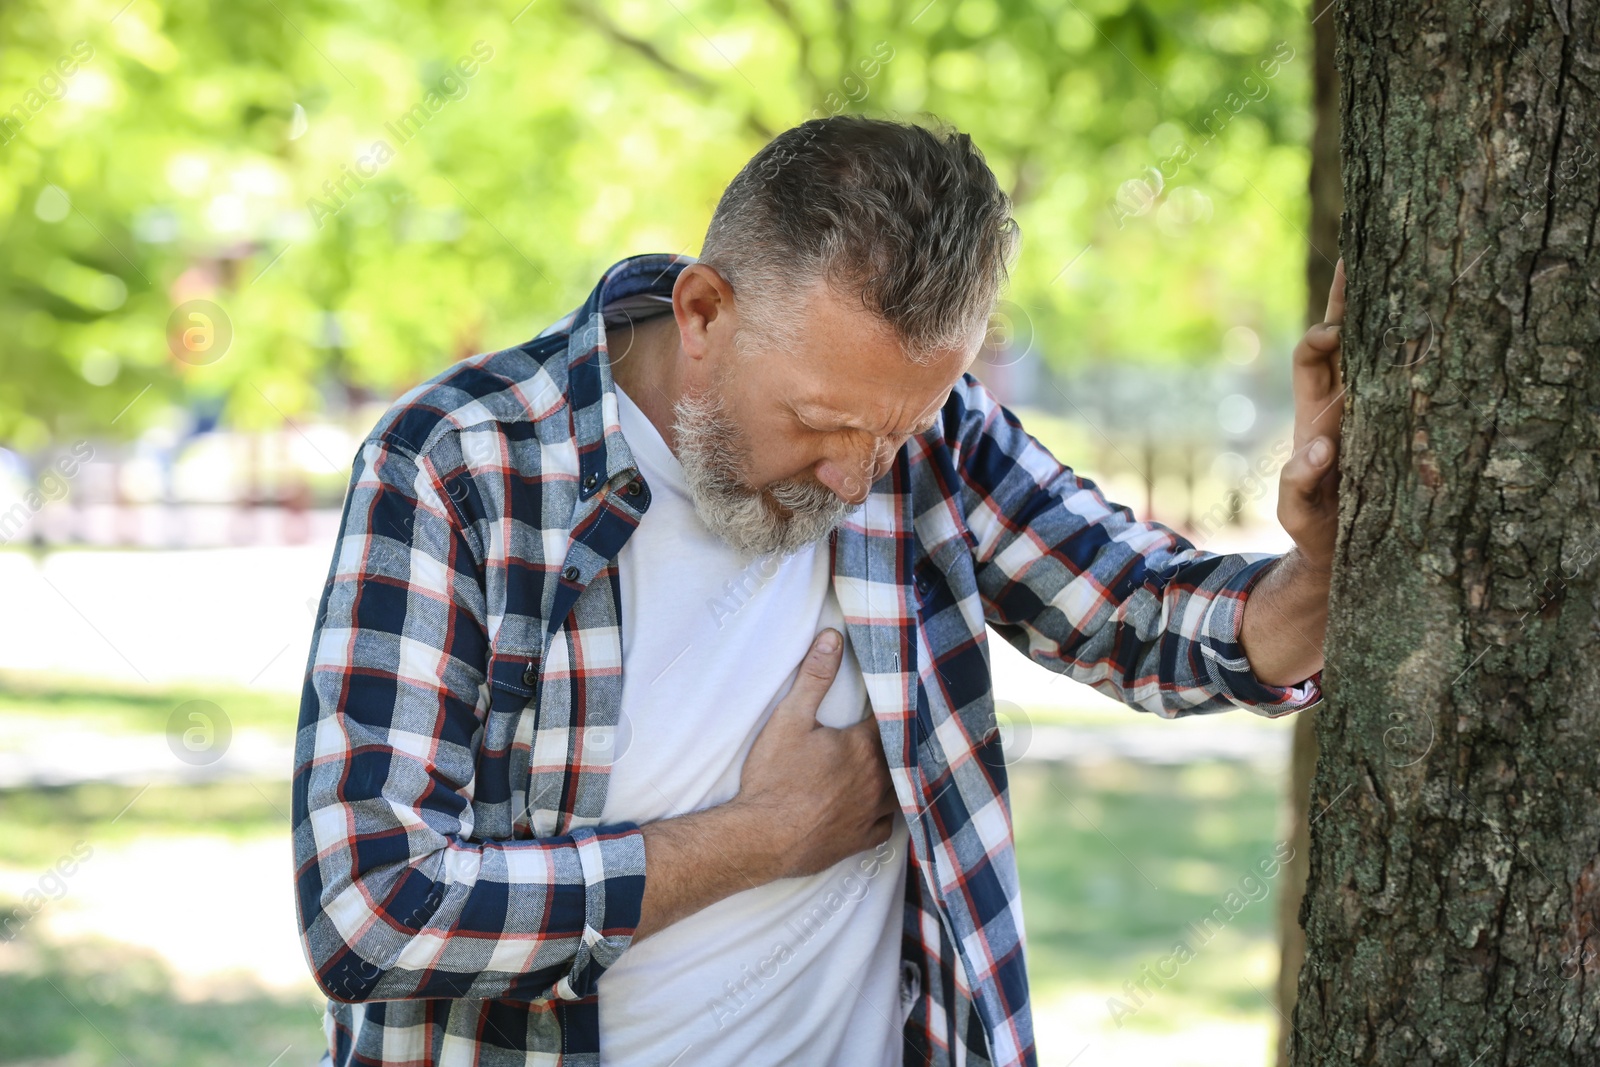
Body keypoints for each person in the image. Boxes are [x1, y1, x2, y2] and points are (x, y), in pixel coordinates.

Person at [291, 115, 1344, 1067]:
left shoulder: (927, 436)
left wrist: (1322, 564)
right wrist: (760, 835)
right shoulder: (461, 463)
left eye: (890, 434)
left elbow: (1148, 617)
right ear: (703, 309)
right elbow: (374, 908)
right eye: (818, 423)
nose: (853, 478)